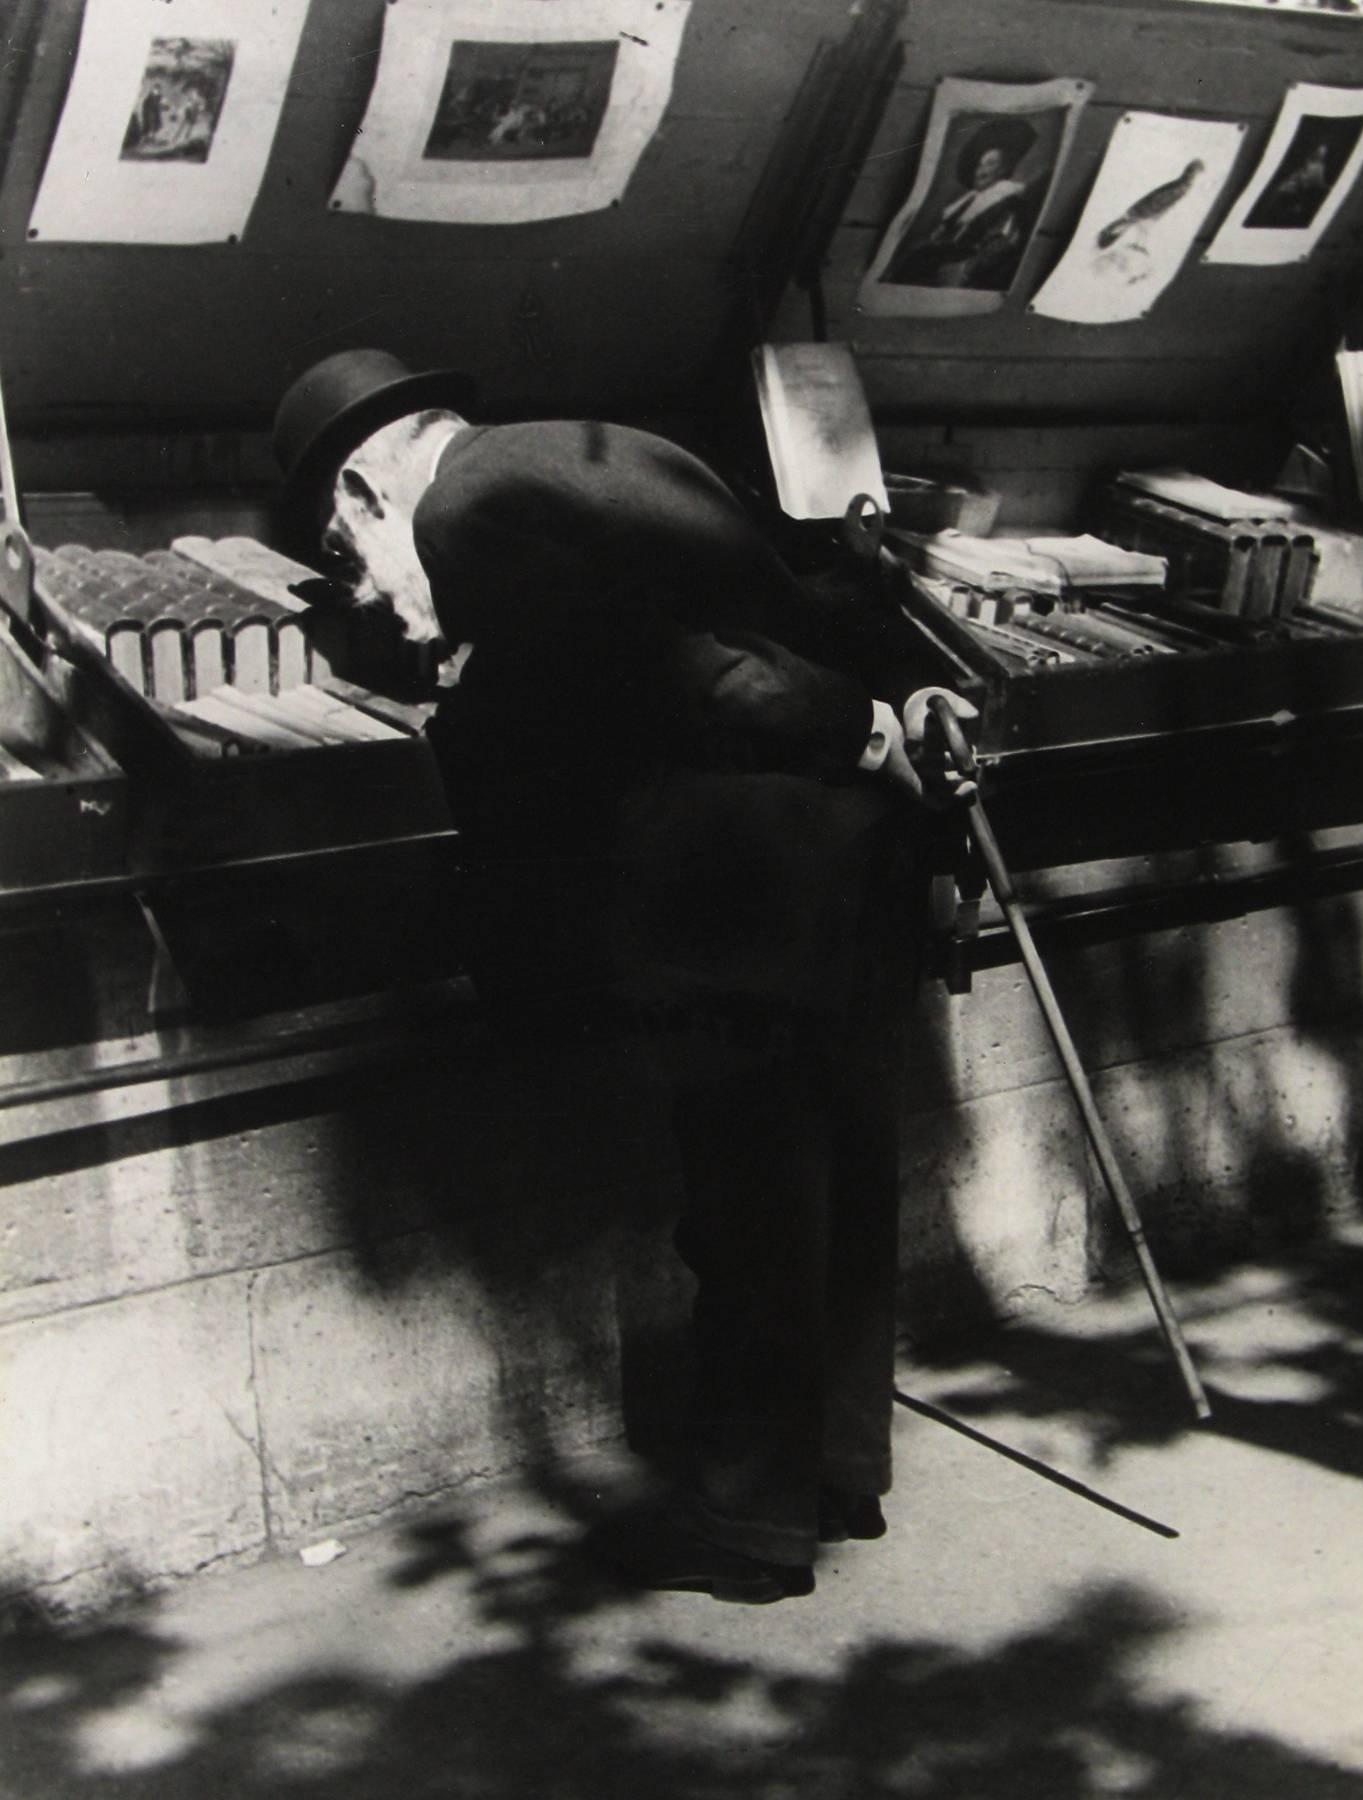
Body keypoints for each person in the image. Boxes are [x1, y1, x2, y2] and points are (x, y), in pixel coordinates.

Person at [272, 349, 977, 1604]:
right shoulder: (603, 443)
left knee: (750, 1210)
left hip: (738, 899)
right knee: (847, 1181)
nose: (371, 593)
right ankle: (838, 1474)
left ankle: (754, 1532)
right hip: (844, 871)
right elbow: (778, 609)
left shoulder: (466, 509)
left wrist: (860, 730)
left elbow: (681, 677)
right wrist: (896, 702)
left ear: (372, 497)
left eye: (346, 554)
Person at [885, 116, 1040, 291]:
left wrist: (964, 270)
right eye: (979, 165)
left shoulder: (1008, 201)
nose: (980, 171)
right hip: (942, 262)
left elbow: (1002, 245)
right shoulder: (968, 201)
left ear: (1004, 168)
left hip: (965, 272)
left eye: (989, 164)